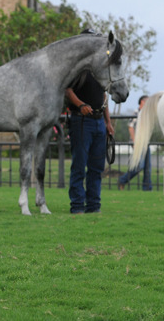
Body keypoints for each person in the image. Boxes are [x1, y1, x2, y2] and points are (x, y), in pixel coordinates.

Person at [64, 49, 115, 213]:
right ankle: (77, 205)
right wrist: (81, 105)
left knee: (97, 167)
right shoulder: (79, 71)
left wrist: (108, 122)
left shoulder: (100, 72)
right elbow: (67, 90)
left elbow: (104, 97)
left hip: (99, 122)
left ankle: (93, 206)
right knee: (79, 165)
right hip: (81, 120)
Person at [118, 95, 152, 191]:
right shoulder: (136, 113)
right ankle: (122, 180)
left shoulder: (147, 114)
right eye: (147, 102)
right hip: (138, 143)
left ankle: (147, 188)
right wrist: (134, 141)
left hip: (145, 143)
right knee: (140, 166)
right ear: (142, 102)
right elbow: (130, 127)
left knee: (147, 168)